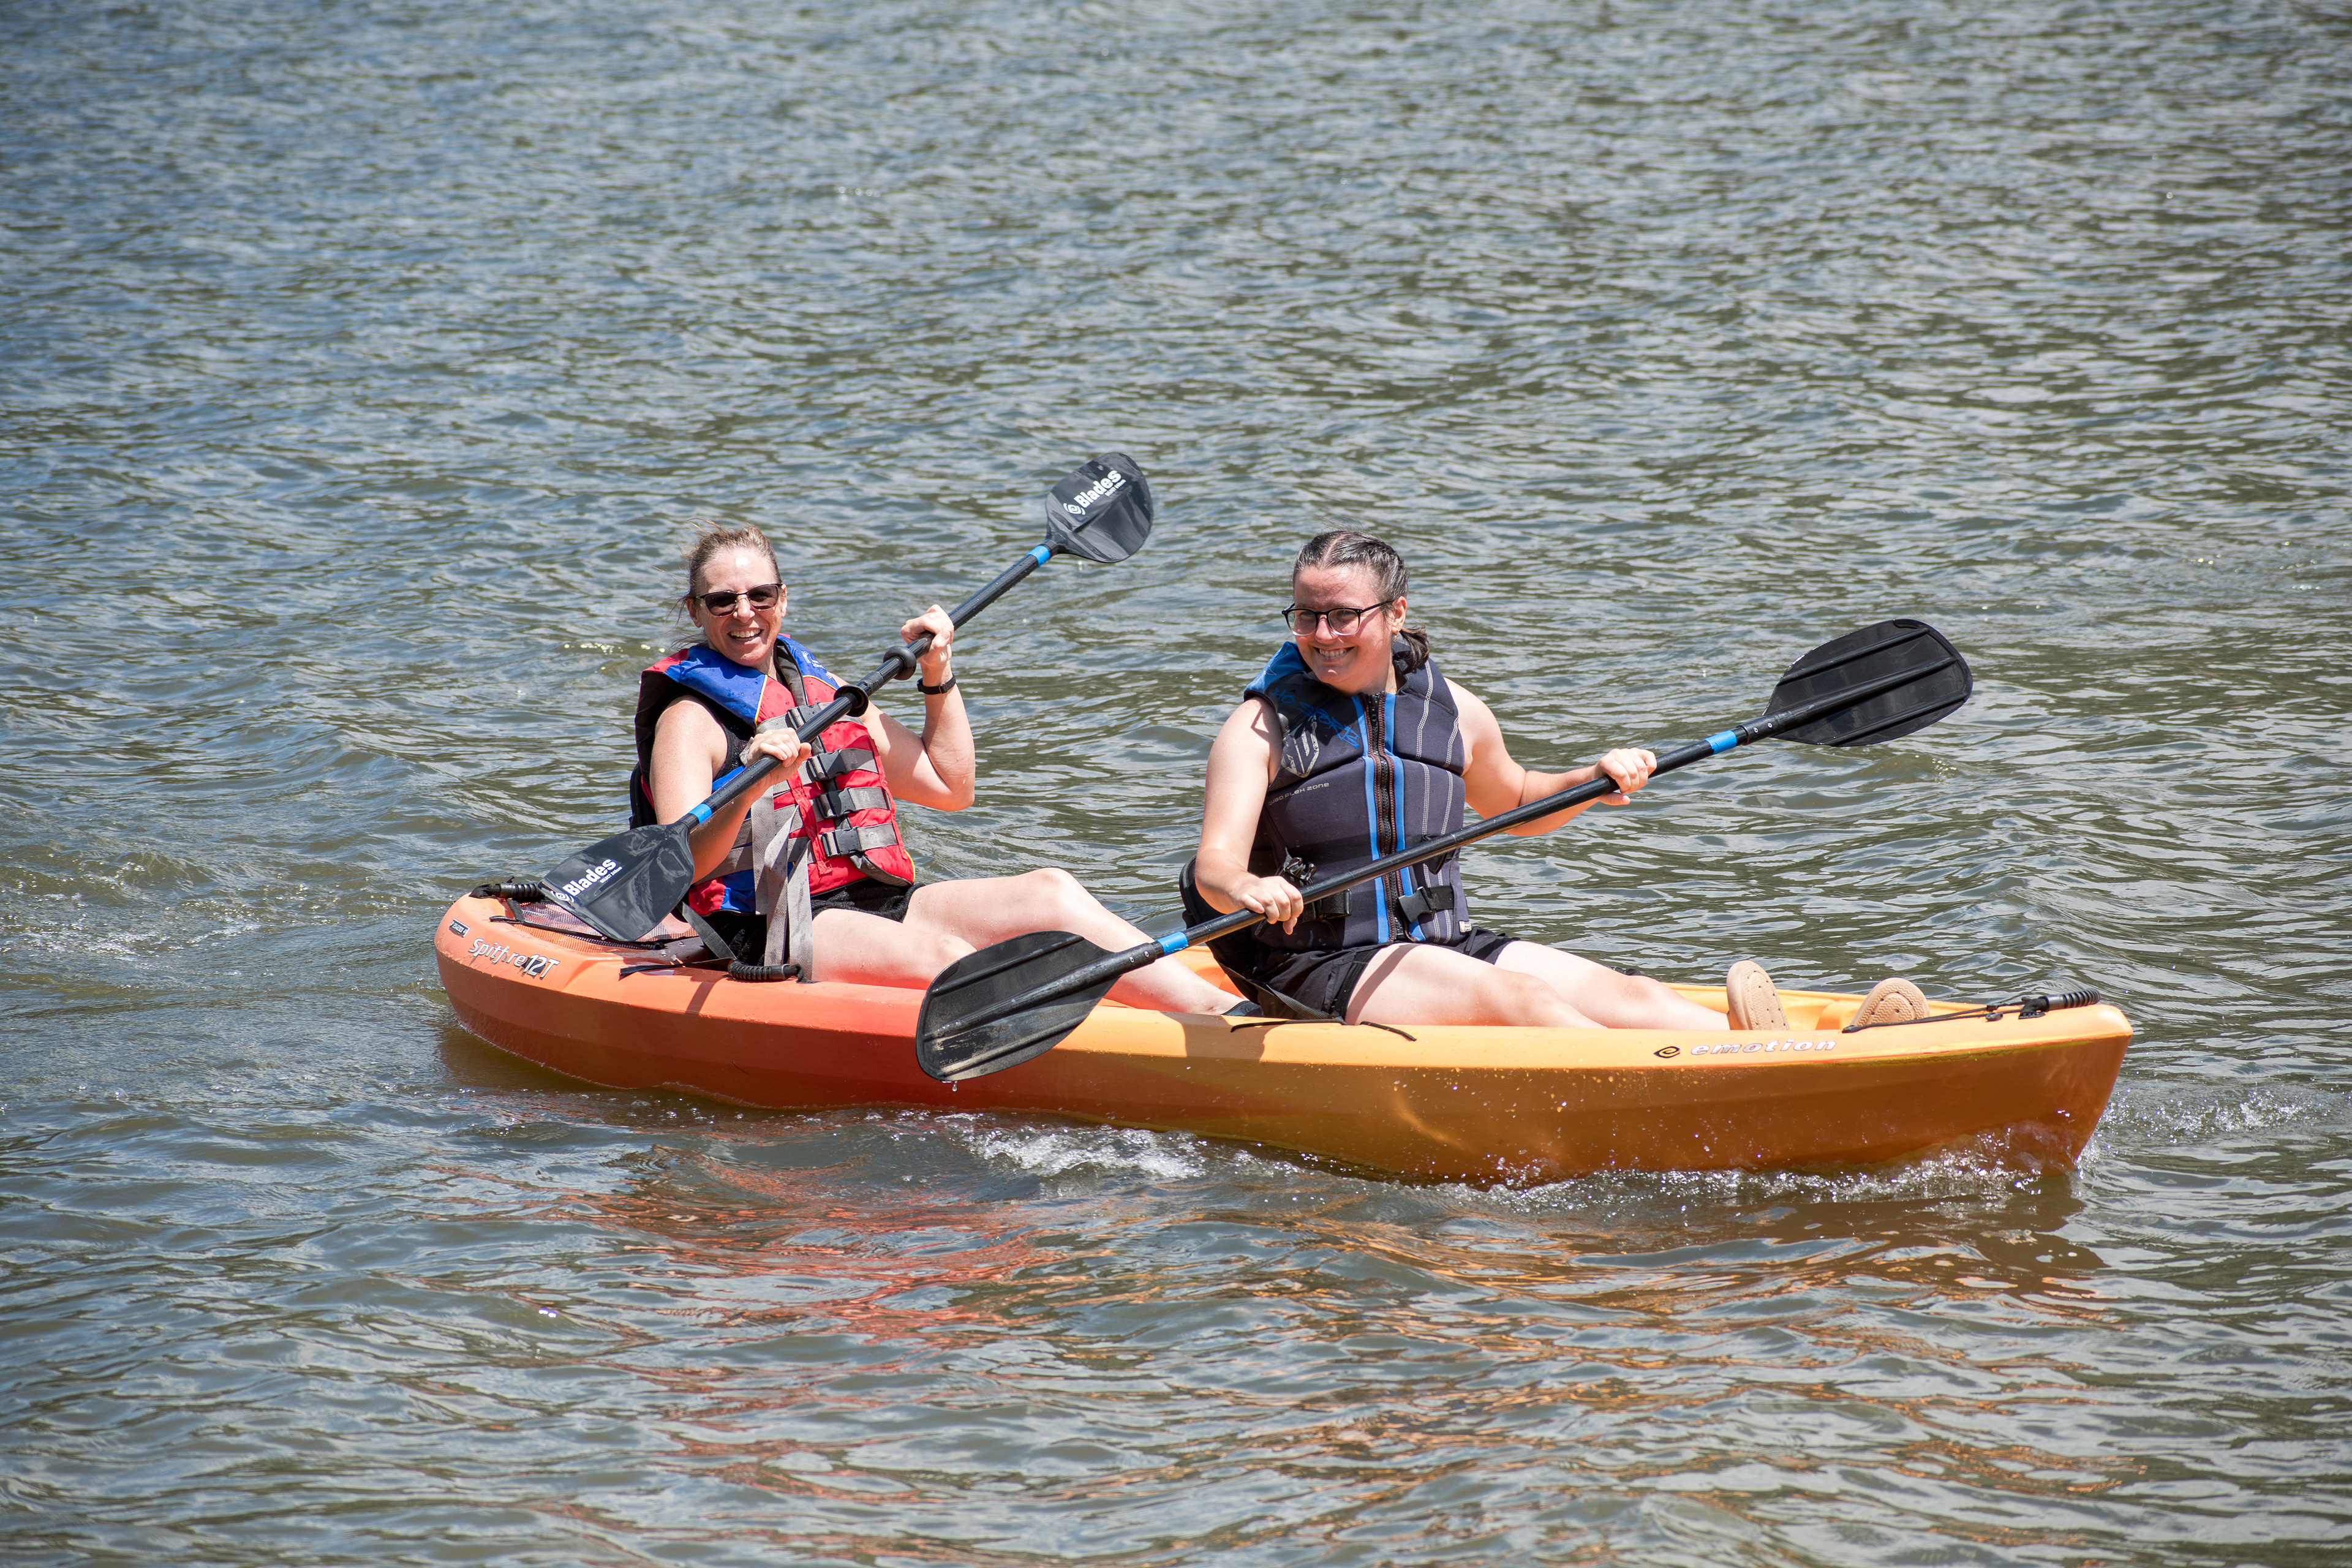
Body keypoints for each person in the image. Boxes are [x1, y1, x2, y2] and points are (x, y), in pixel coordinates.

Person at [1186, 529, 1926, 1031]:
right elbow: (1216, 867)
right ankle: (1698, 1083)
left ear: (1395, 612)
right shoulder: (1260, 730)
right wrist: (1250, 890)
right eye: (1307, 617)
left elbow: (1515, 804)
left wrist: (1594, 778)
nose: (1322, 636)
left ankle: (1794, 1052)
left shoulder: (1452, 711)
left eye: (1343, 615)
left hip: (1441, 943)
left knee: (1630, 993)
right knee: (1518, 999)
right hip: (1317, 964)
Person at [638, 521, 1242, 1013]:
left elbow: (950, 786)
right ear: (696, 611)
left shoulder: (829, 694)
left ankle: (1221, 1017)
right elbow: (681, 863)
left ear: (783, 599)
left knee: (1050, 893)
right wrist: (750, 789)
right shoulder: (688, 722)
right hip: (779, 923)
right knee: (944, 956)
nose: (745, 613)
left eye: (760, 595)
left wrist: (938, 673)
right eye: (723, 600)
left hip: (877, 899)